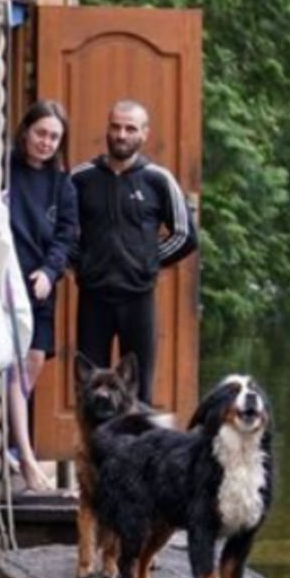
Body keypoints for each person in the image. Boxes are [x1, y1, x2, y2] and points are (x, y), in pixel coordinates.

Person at [71, 99, 197, 404]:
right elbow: (59, 230)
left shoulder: (158, 179)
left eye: (130, 128)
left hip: (138, 299)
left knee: (138, 391)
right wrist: (83, 263)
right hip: (93, 297)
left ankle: (138, 450)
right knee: (89, 389)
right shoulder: (80, 178)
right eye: (115, 127)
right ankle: (94, 451)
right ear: (108, 129)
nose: (121, 135)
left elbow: (186, 235)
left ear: (144, 133)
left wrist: (147, 262)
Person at [7, 100, 78, 493]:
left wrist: (50, 272)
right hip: (8, 283)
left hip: (40, 284)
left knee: (34, 361)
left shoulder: (62, 184)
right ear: (25, 132)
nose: (46, 142)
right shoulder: (6, 171)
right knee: (16, 365)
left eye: (54, 137)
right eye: (41, 133)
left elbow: (67, 236)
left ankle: (8, 440)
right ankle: (25, 455)